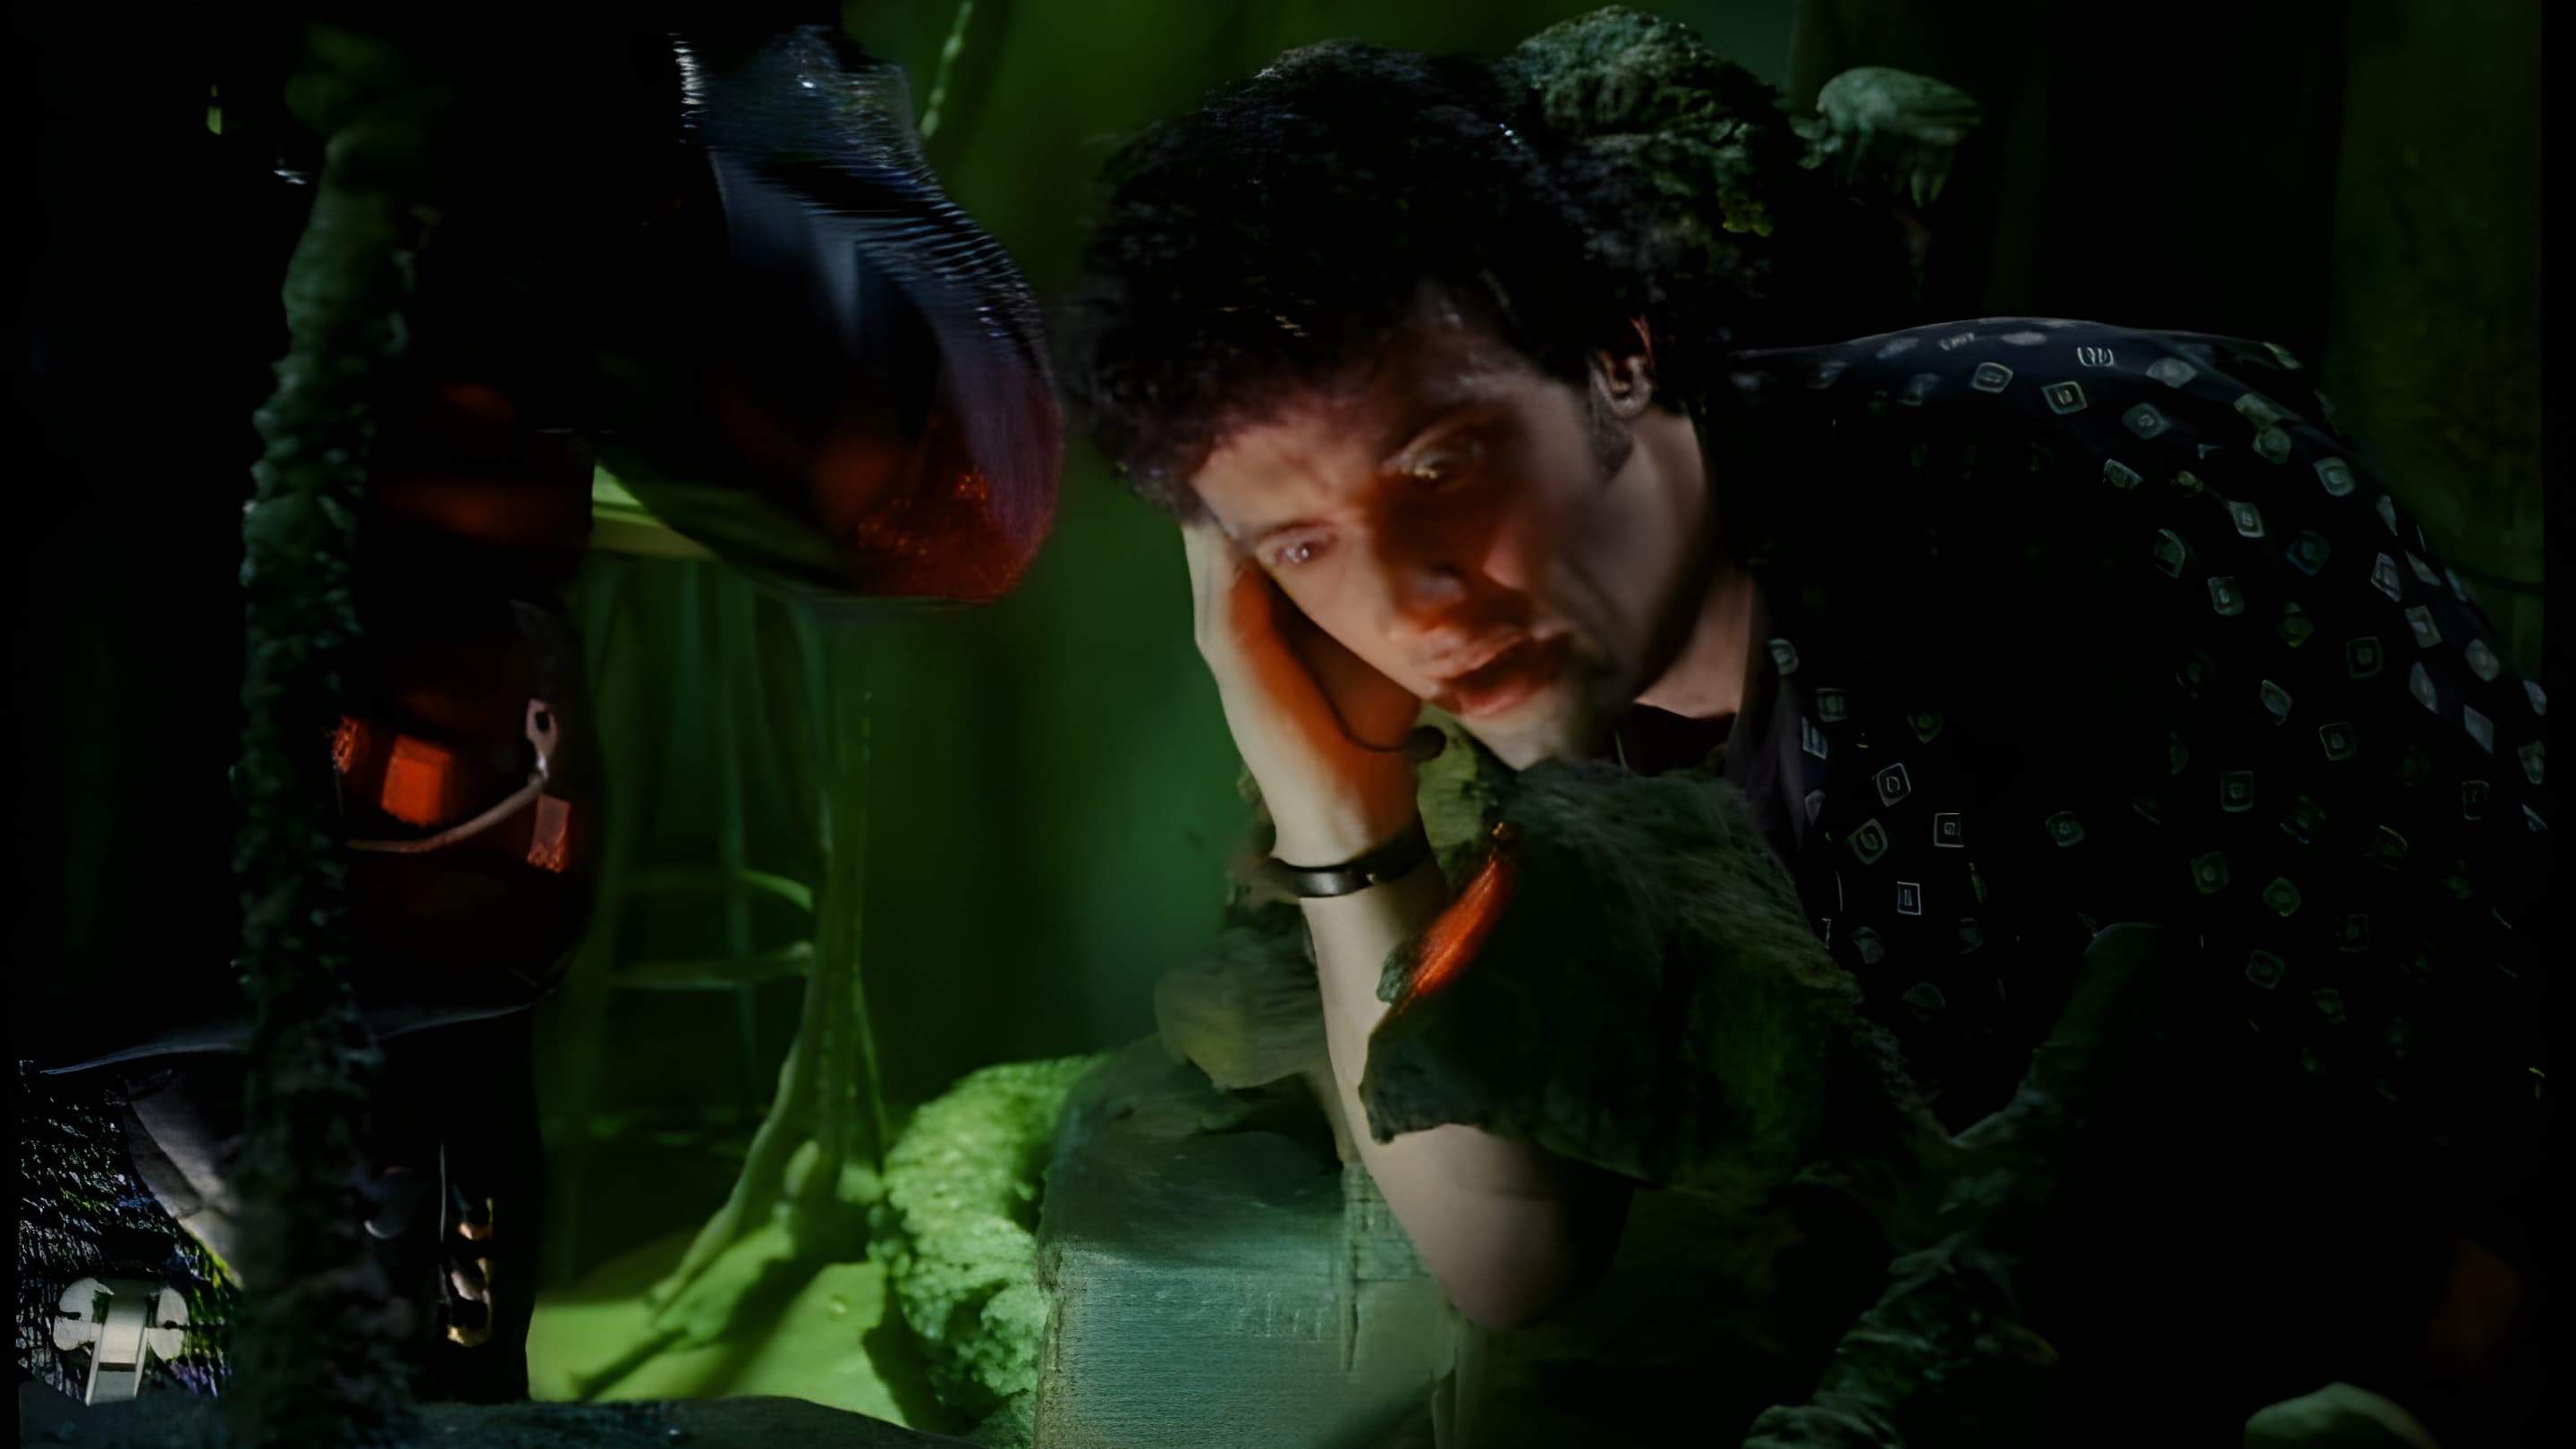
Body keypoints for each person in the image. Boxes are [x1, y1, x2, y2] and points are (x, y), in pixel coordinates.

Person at [1058, 13, 2546, 1445]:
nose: (1413, 601)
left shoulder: (2120, 468)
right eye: (1304, 544)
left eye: (1443, 464)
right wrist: (1333, 802)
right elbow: (1507, 1252)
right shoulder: (1509, 721)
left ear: (1617, 356)